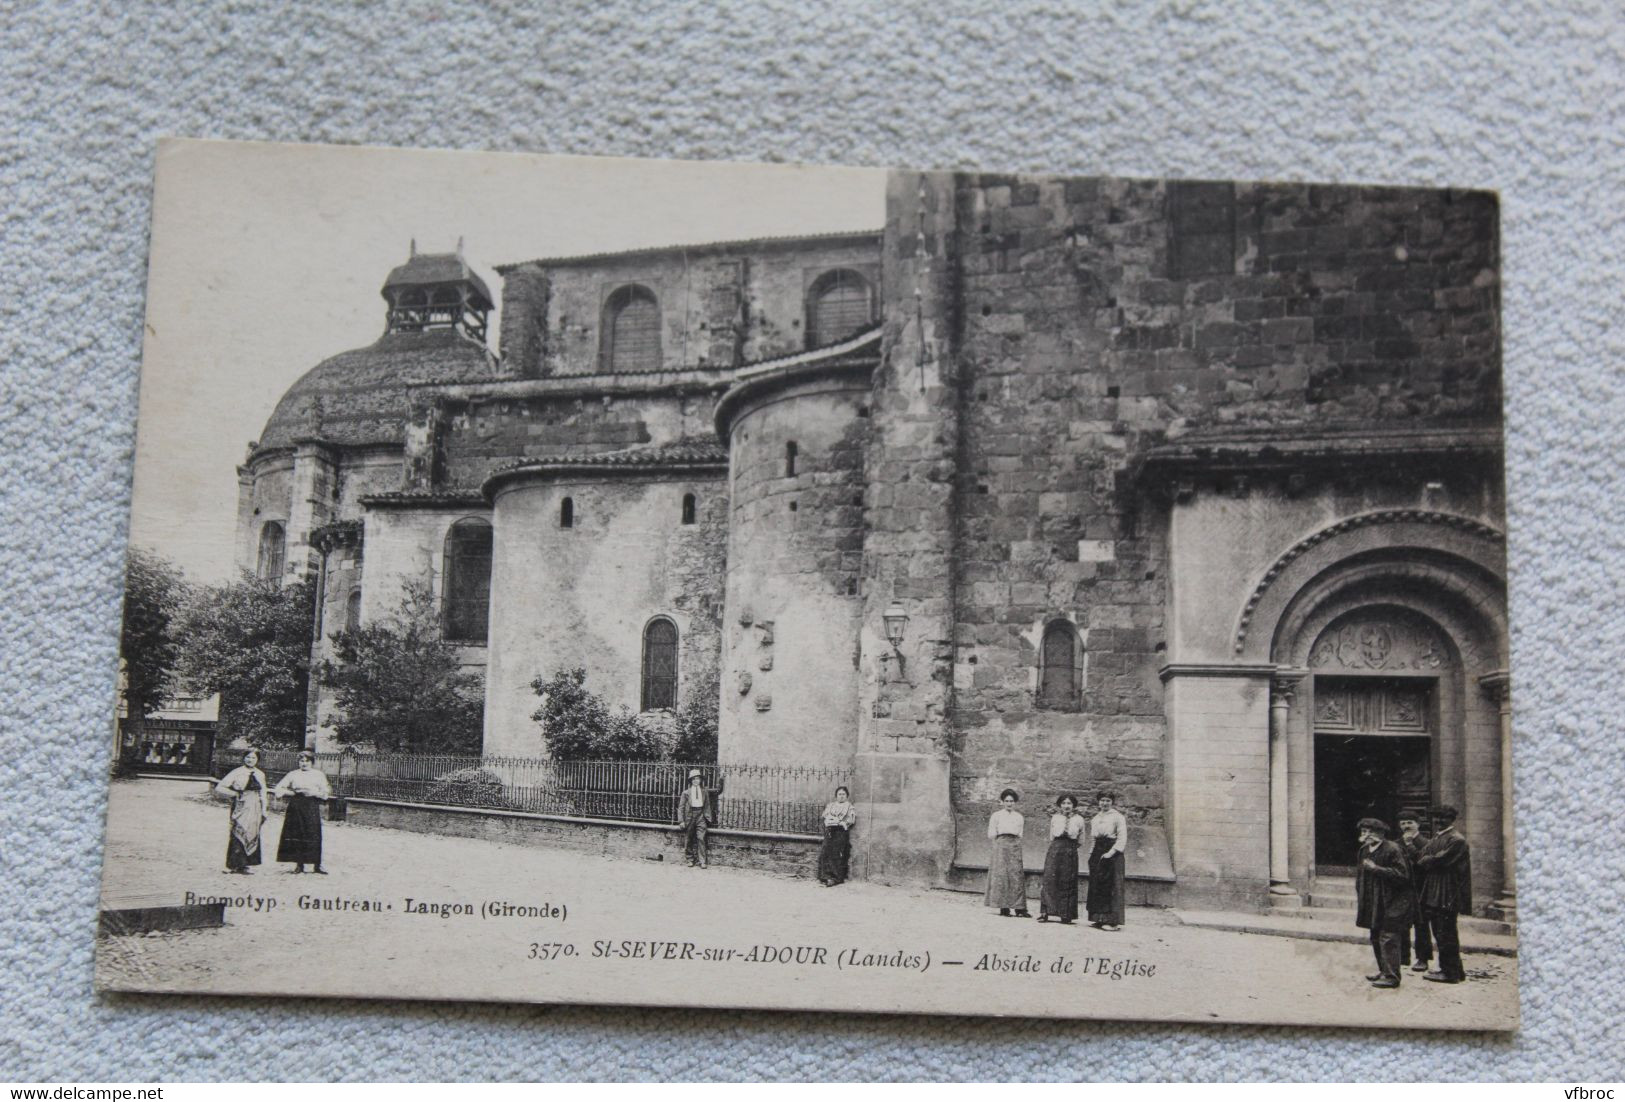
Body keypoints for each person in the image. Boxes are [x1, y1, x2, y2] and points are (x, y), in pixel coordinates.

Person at [1354, 817, 1416, 989]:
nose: (1366, 835)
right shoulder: (1364, 850)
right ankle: (1383, 971)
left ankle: (1392, 976)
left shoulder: (1393, 849)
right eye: (1363, 832)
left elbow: (1402, 875)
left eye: (1370, 832)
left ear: (1380, 834)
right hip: (1373, 901)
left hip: (1393, 901)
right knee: (1375, 936)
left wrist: (1376, 869)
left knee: (1388, 937)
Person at [1414, 805, 1473, 984]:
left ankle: (1450, 973)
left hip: (1447, 893)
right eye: (1436, 818)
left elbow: (1438, 860)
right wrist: (1428, 858)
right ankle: (1455, 971)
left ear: (1452, 819)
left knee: (1446, 934)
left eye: (1443, 818)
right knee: (1442, 934)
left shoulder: (1457, 840)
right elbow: (1422, 856)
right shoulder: (1439, 837)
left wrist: (1429, 859)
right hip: (1436, 892)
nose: (1438, 821)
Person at [273, 749, 332, 874]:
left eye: (307, 761)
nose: (304, 763)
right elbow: (279, 788)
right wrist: (292, 792)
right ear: (298, 762)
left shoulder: (318, 774)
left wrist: (314, 793)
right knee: (297, 833)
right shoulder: (293, 774)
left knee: (313, 833)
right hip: (296, 805)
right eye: (301, 761)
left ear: (312, 762)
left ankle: (317, 865)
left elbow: (326, 793)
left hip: (311, 805)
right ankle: (299, 864)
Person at [214, 748, 268, 874]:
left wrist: (264, 809)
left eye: (253, 758)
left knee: (252, 832)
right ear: (244, 758)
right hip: (241, 805)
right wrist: (235, 793)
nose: (250, 760)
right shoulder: (237, 772)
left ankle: (245, 865)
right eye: (248, 757)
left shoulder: (260, 774)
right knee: (237, 832)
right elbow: (220, 787)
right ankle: (234, 865)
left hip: (255, 806)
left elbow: (263, 793)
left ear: (257, 760)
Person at [1038, 794, 1085, 924]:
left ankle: (1066, 914)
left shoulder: (1079, 819)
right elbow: (1051, 836)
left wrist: (1070, 847)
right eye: (1064, 803)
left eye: (1069, 803)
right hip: (1055, 848)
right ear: (1060, 805)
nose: (1066, 806)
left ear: (1073, 805)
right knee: (1049, 879)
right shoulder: (1055, 818)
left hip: (1070, 850)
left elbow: (1081, 839)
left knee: (1067, 881)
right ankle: (1045, 912)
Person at [1086, 792, 1128, 930]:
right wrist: (1091, 854)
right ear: (1098, 802)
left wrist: (1110, 853)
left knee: (1111, 886)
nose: (1104, 803)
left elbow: (1122, 838)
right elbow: (1093, 838)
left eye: (1108, 800)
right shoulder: (1096, 818)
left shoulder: (1118, 817)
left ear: (1112, 802)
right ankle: (1098, 918)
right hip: (1098, 852)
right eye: (1102, 800)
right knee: (1097, 885)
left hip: (1112, 852)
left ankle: (1111, 921)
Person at [1396, 814, 1433, 973]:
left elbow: (1424, 863)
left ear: (1418, 824)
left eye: (1409, 822)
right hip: (1402, 889)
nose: (1406, 826)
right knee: (1400, 923)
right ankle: (1403, 956)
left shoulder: (1427, 843)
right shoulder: (1396, 843)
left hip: (1421, 889)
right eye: (1403, 823)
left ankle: (1422, 959)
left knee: (1422, 924)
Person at [985, 789, 1029, 917]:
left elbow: (1020, 833)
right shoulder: (996, 816)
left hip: (1015, 844)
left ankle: (1019, 908)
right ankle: (1004, 907)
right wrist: (999, 842)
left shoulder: (1019, 817)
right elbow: (991, 834)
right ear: (1002, 802)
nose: (1009, 803)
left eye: (1012, 801)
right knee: (1001, 875)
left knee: (1016, 875)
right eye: (1007, 801)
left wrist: (1014, 842)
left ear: (1015, 802)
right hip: (1001, 844)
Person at [675, 768, 725, 868]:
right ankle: (690, 859)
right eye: (693, 779)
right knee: (688, 838)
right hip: (689, 816)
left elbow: (718, 791)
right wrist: (681, 821)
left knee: (701, 838)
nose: (695, 780)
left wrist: (721, 779)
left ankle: (702, 861)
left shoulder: (704, 791)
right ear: (690, 781)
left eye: (697, 778)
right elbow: (681, 808)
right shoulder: (686, 793)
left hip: (701, 815)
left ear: (700, 780)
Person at [817, 785, 857, 886]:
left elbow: (851, 820)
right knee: (825, 852)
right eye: (839, 794)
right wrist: (829, 821)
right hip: (830, 831)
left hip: (840, 833)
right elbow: (824, 816)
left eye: (843, 794)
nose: (841, 796)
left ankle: (836, 878)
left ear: (847, 795)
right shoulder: (830, 805)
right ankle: (825, 876)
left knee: (837, 854)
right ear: (836, 795)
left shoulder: (849, 807)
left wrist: (840, 822)